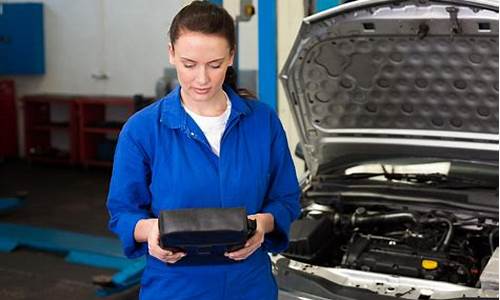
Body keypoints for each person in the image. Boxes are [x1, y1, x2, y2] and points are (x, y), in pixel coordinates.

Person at [106, 1, 300, 299]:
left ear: (231, 56)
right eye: (189, 64)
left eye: (215, 65)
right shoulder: (142, 130)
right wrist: (149, 232)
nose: (202, 79)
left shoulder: (263, 122)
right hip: (174, 287)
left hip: (249, 285)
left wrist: (264, 223)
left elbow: (286, 199)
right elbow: (122, 212)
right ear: (171, 53)